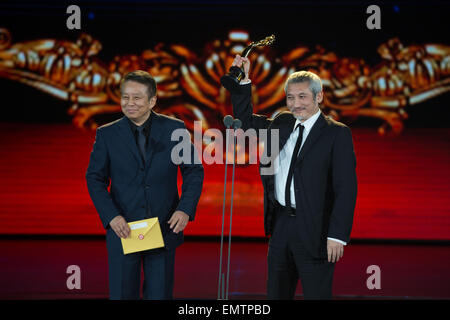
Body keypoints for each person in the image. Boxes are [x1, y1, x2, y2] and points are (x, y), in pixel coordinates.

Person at [229, 55, 357, 299]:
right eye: (290, 97)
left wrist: (337, 235)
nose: (295, 104)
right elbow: (244, 124)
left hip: (316, 229)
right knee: (276, 293)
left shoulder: (336, 134)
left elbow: (346, 189)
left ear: (319, 97)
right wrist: (243, 82)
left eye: (302, 97)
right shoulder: (283, 123)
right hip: (281, 224)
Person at [86, 70, 204, 299]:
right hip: (123, 229)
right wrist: (112, 216)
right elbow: (94, 178)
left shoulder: (174, 129)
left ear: (152, 101)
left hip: (162, 227)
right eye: (125, 97)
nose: (130, 103)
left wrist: (184, 209)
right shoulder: (107, 134)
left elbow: (193, 171)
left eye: (137, 98)